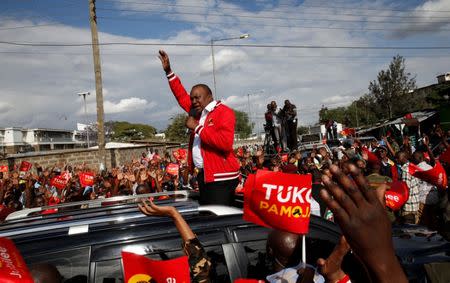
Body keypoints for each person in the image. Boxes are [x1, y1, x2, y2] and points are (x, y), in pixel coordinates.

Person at [158, 50, 240, 206]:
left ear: (209, 96)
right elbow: (181, 94)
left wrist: (197, 127)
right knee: (208, 218)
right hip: (205, 176)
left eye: (198, 97)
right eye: (192, 98)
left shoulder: (224, 112)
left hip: (221, 177)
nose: (193, 101)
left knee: (216, 220)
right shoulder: (198, 112)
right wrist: (169, 72)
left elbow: (224, 143)